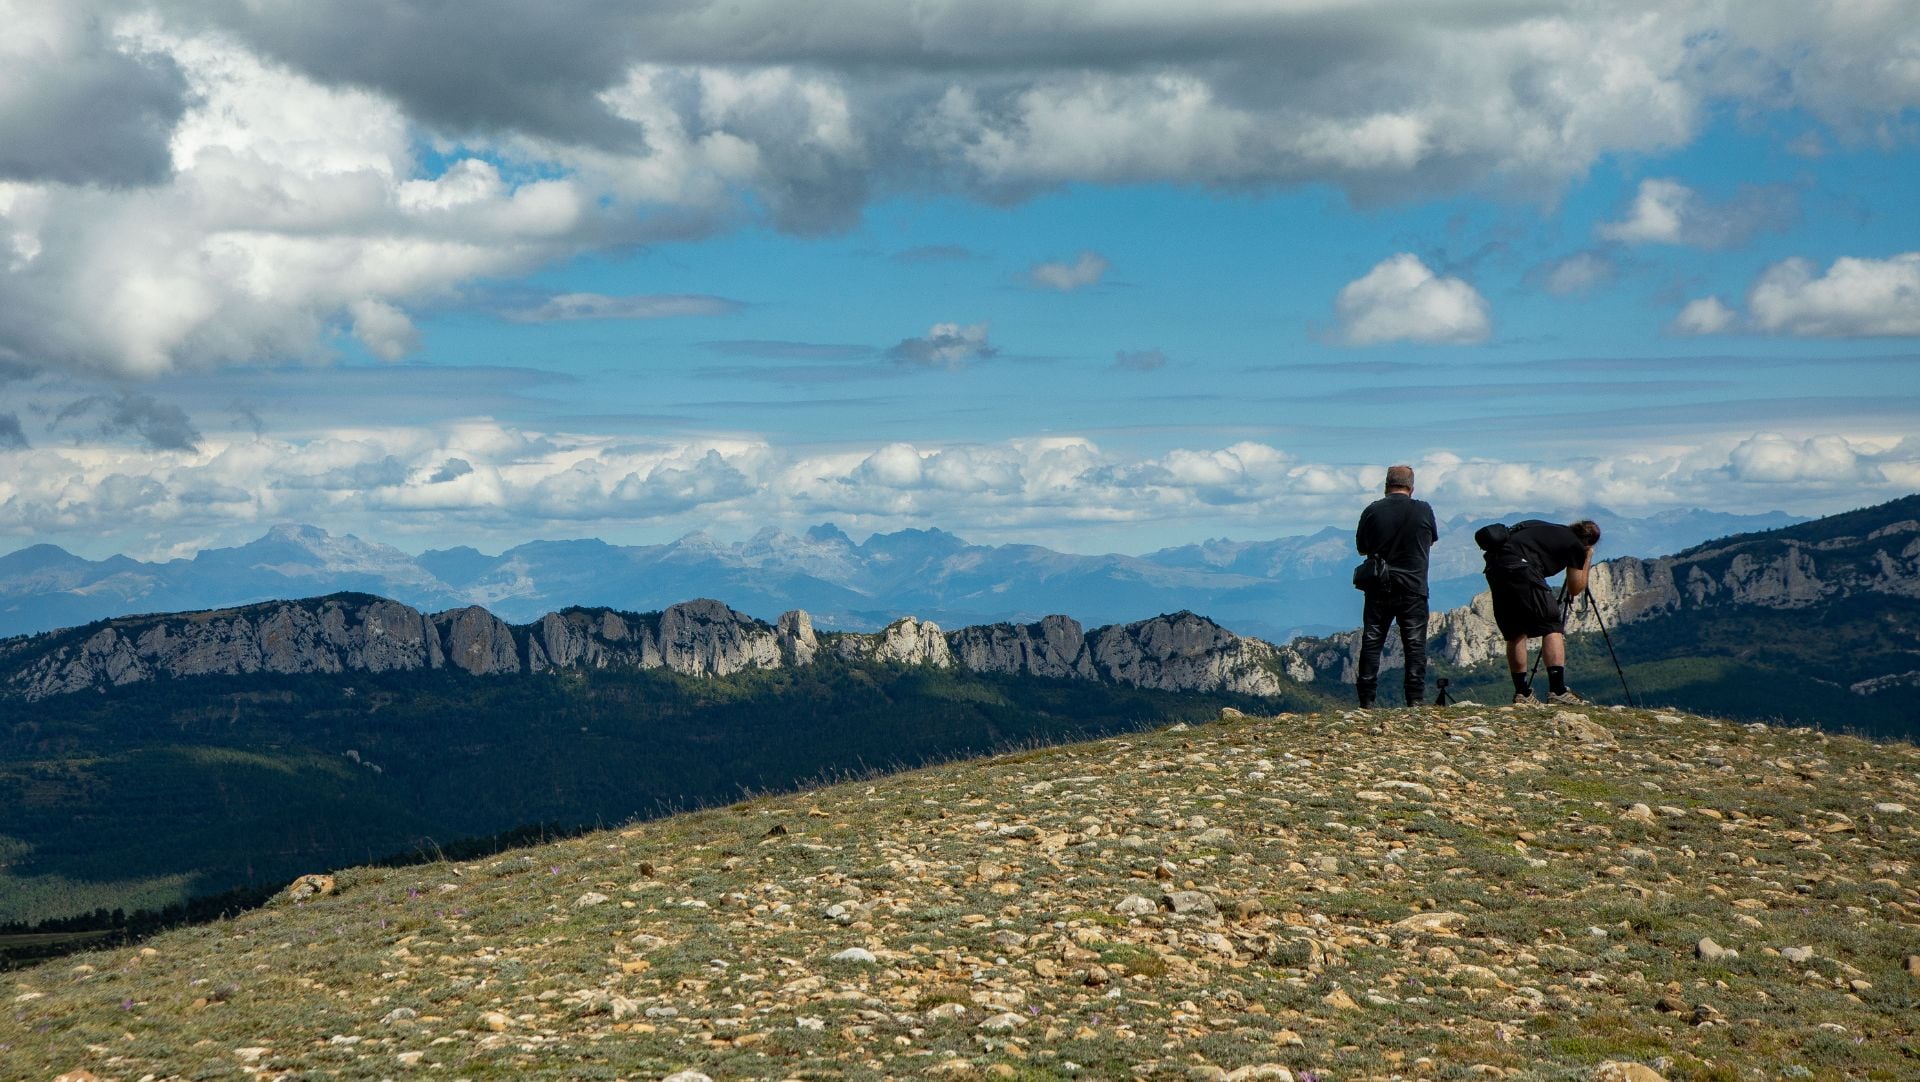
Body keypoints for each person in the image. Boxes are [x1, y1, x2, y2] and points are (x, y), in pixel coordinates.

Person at [1482, 518, 1601, 704]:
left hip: (1494, 568)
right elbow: (1575, 588)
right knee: (1551, 625)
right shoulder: (1576, 546)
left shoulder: (1544, 526)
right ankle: (1558, 691)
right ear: (1588, 541)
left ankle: (1522, 693)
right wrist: (1587, 557)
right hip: (1523, 569)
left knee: (1515, 631)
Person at [1354, 464, 1438, 708]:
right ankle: (1415, 699)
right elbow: (1431, 539)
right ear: (1411, 488)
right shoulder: (1423, 509)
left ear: (1385, 486)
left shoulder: (1372, 511)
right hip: (1414, 587)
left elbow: (1362, 548)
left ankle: (1367, 701)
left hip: (1379, 586)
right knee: (1414, 644)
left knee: (1372, 641)